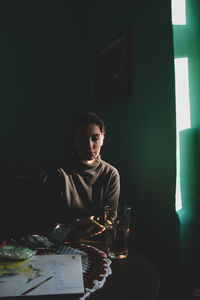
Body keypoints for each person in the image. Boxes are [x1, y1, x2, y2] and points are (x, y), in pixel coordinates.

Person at [41, 112, 120, 237]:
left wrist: (100, 227)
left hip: (98, 242)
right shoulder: (58, 174)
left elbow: (111, 219)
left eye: (95, 138)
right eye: (83, 139)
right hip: (63, 243)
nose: (90, 146)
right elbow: (47, 224)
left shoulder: (110, 174)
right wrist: (73, 227)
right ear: (73, 141)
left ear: (102, 138)